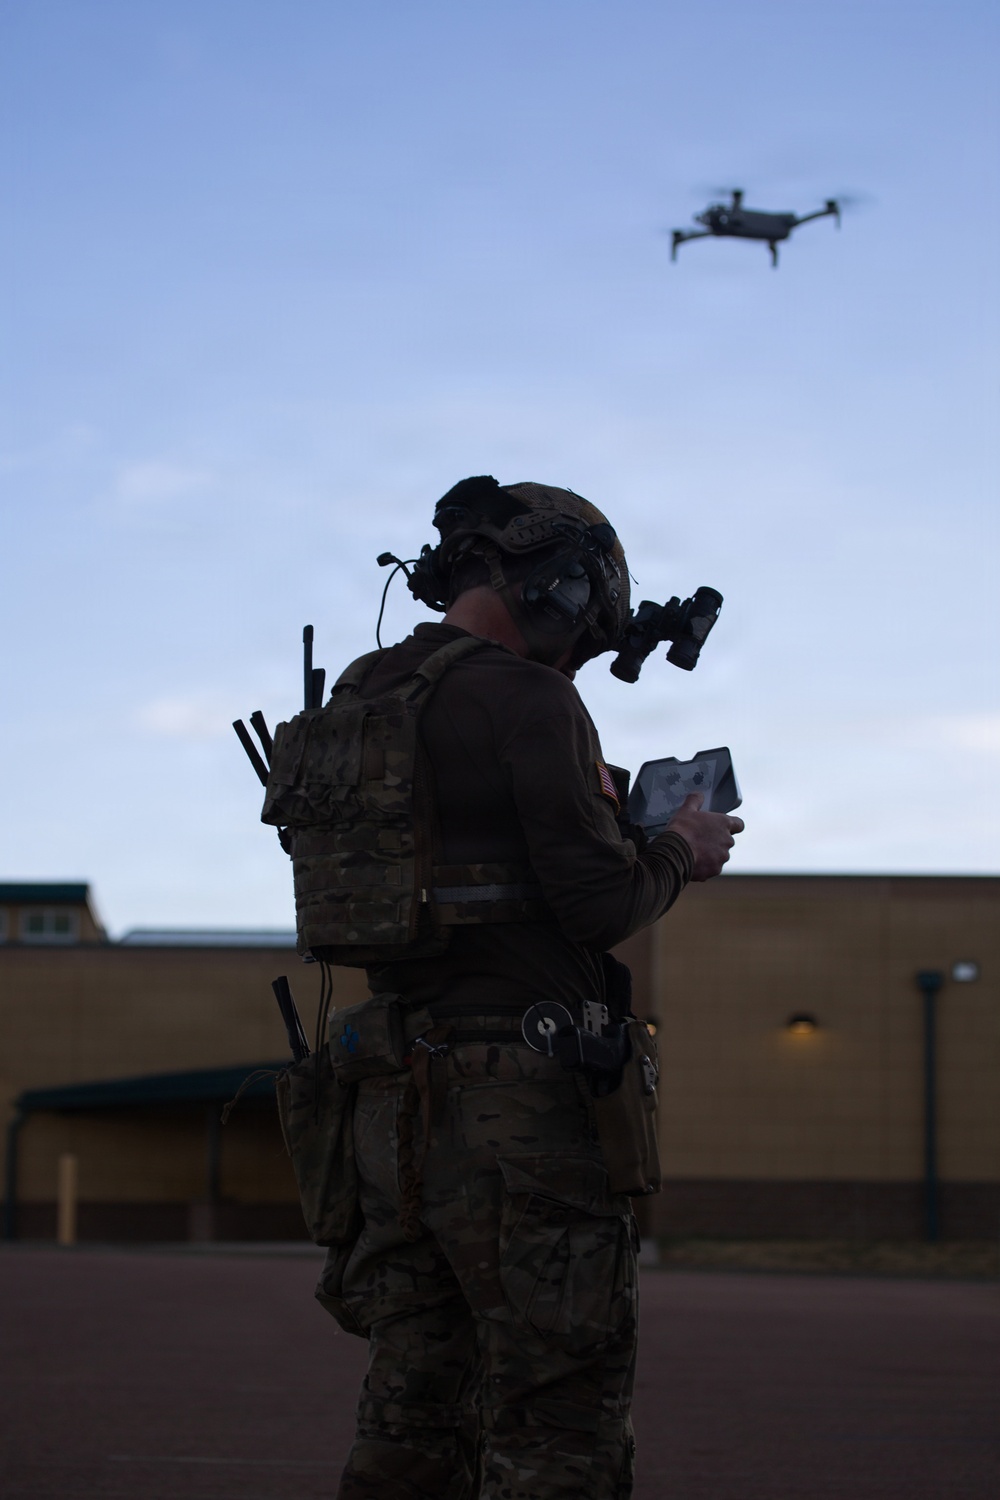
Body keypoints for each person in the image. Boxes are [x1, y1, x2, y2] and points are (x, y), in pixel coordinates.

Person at [316, 477, 744, 1500]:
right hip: (520, 1094)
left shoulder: (367, 691)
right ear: (553, 581)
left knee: (415, 1395)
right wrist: (677, 847)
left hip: (387, 1095)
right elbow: (598, 905)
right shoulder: (531, 698)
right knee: (559, 1403)